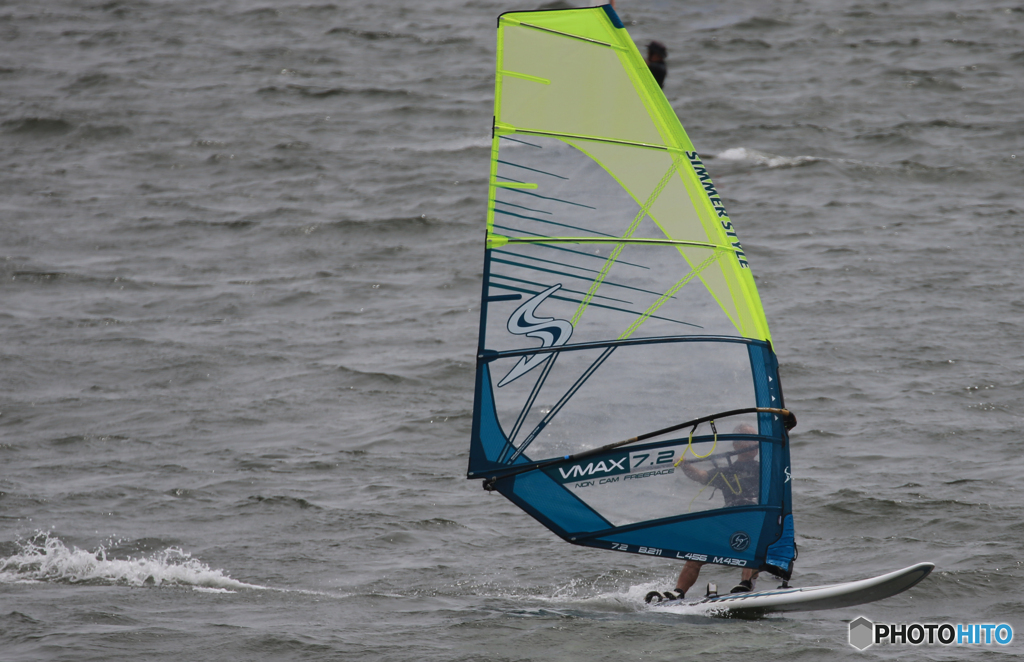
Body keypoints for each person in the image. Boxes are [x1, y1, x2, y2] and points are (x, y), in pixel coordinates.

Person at [645, 425, 760, 603]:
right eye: (749, 438)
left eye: (756, 439)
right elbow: (701, 476)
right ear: (736, 445)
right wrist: (685, 464)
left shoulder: (767, 469)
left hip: (756, 520)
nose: (755, 443)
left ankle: (745, 583)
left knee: (755, 541)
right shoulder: (727, 471)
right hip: (729, 518)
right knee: (696, 555)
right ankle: (678, 591)